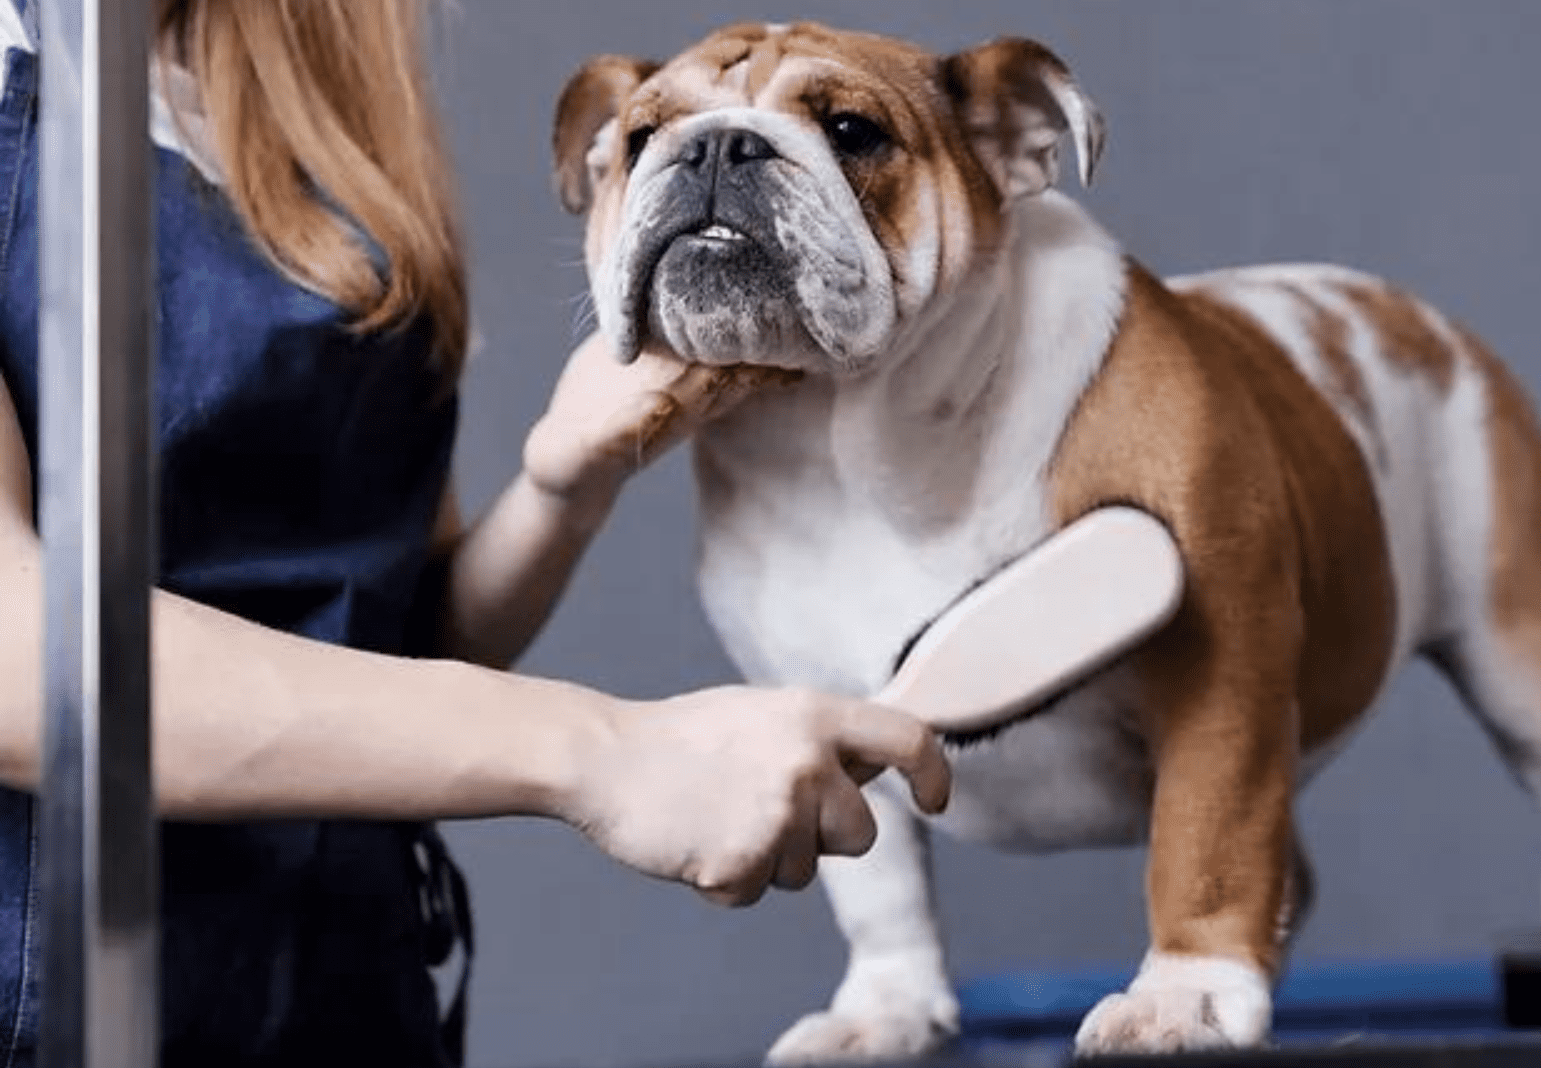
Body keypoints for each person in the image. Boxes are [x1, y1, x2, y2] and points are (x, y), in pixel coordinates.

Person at [0, 1, 950, 1065]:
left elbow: (395, 642)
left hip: (340, 987)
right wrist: (603, 750)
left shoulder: (324, 132)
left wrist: (564, 480)